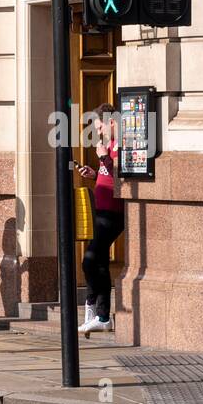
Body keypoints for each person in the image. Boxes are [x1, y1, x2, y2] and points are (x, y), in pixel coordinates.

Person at [78, 103, 123, 335]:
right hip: (101, 210)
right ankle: (101, 315)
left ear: (112, 122)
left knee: (89, 260)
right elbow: (107, 176)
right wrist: (94, 173)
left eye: (101, 128)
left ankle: (93, 308)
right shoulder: (111, 144)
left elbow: (123, 180)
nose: (100, 133)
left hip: (113, 214)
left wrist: (104, 158)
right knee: (100, 262)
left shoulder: (121, 144)